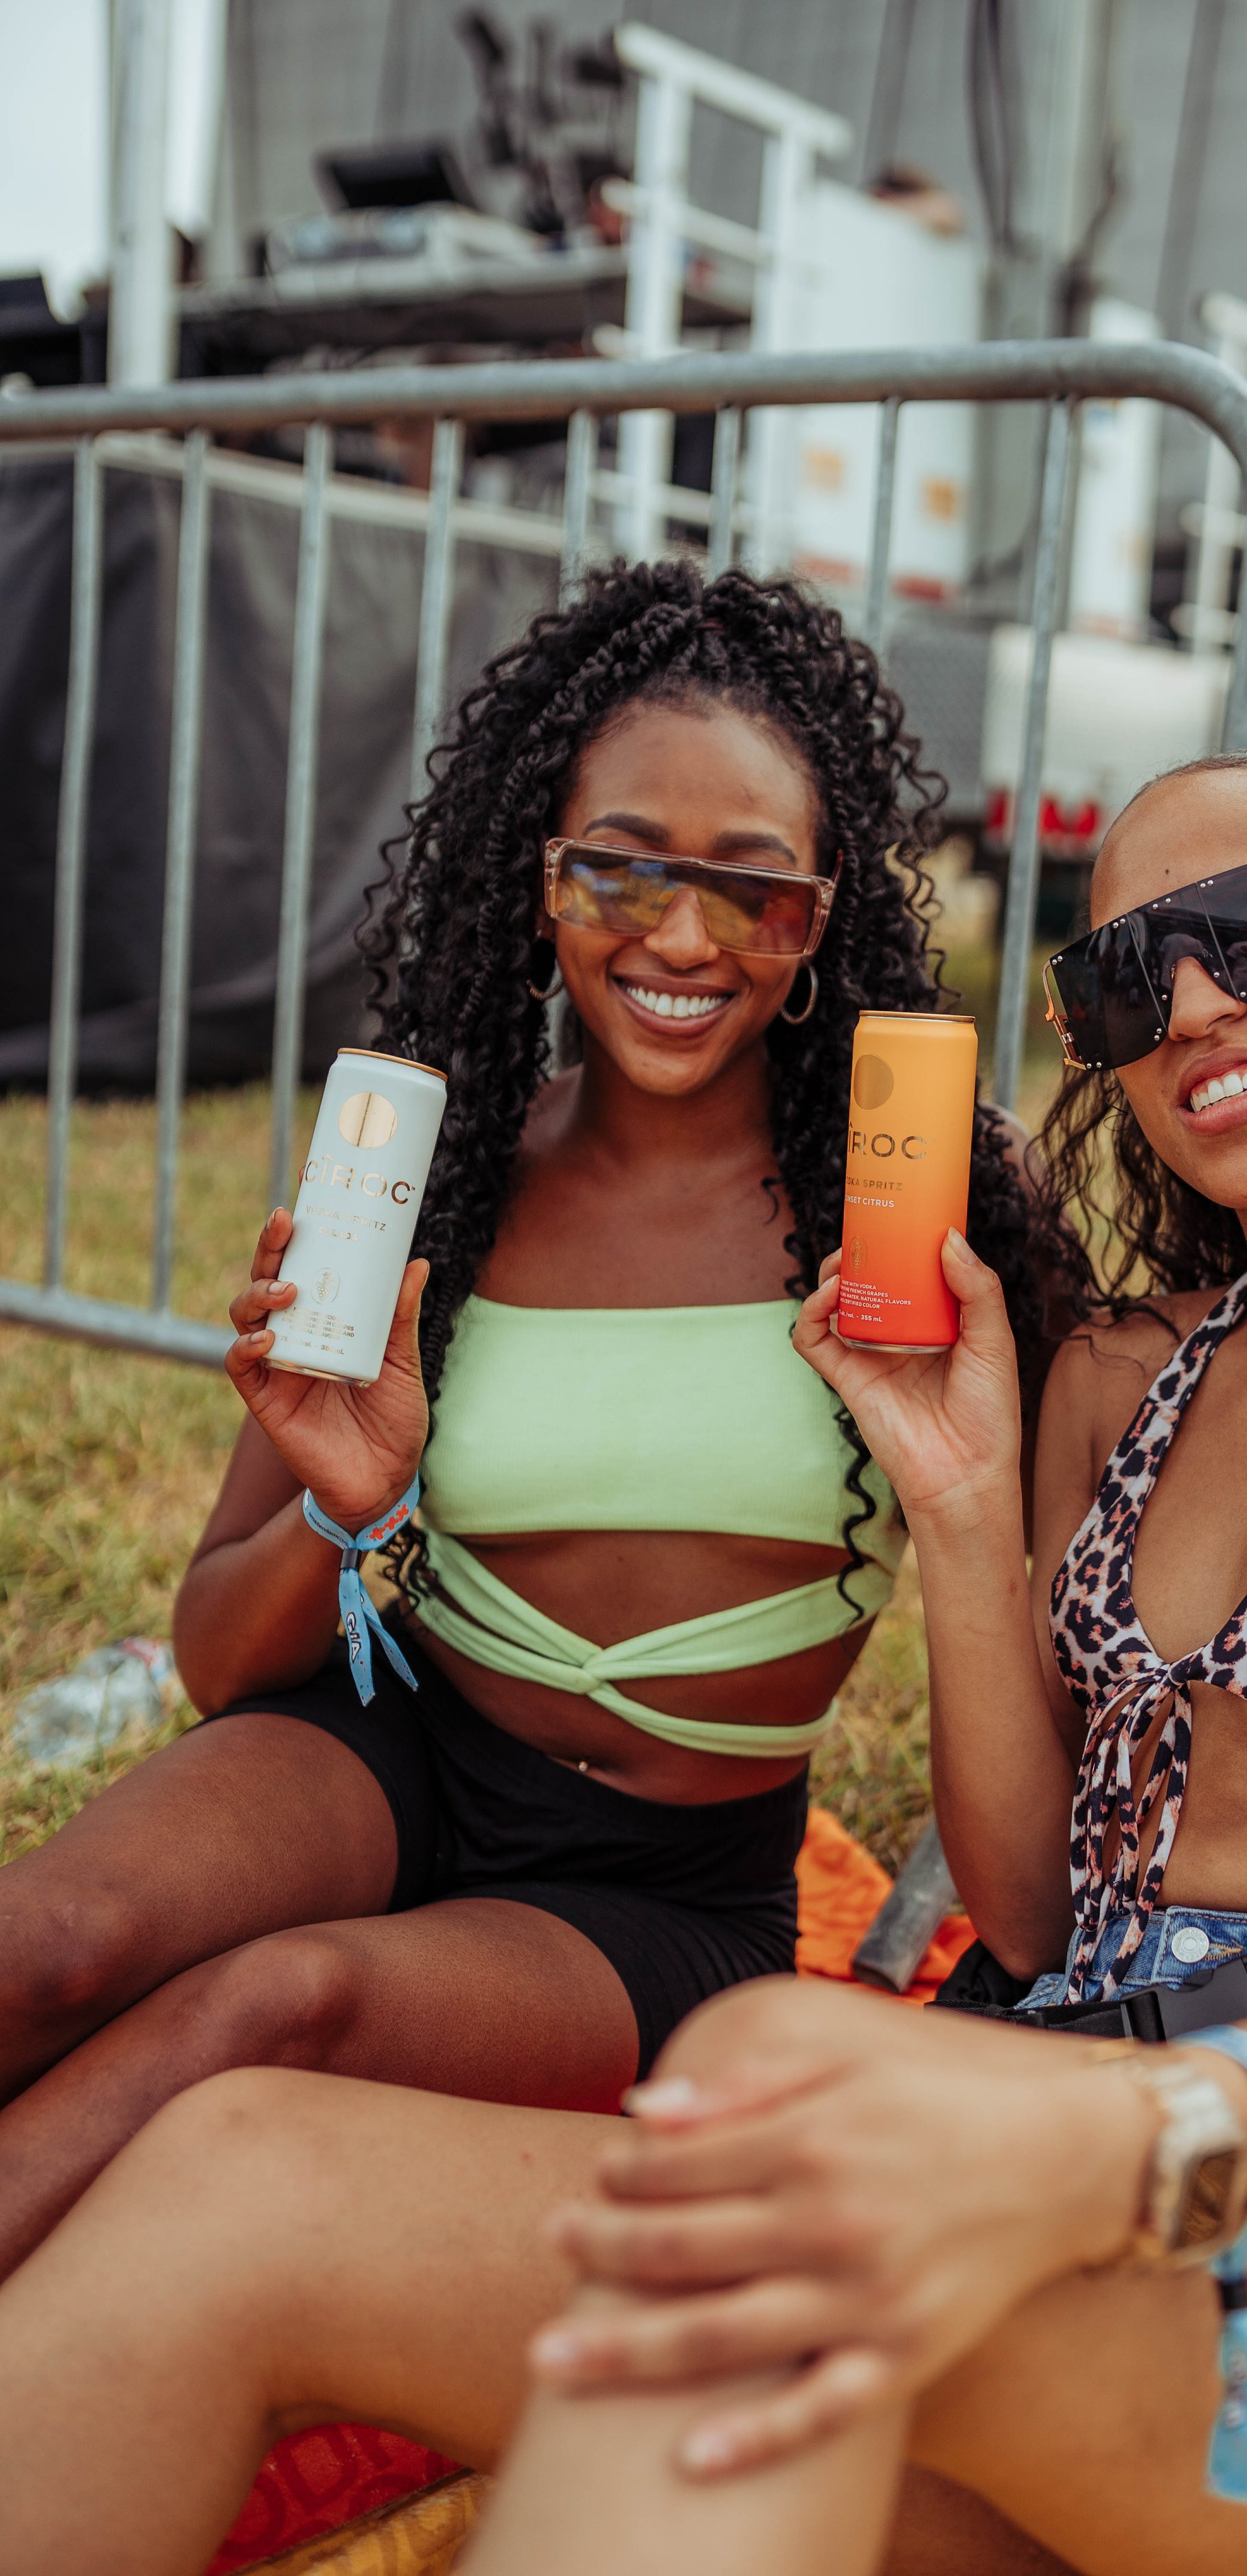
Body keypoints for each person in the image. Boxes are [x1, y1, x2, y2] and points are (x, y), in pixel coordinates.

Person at [1, 735, 1247, 2576]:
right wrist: (967, 1516)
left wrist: (1099, 2146)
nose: (1196, 999)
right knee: (239, 2167)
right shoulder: (1118, 1375)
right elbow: (1039, 1916)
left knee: (780, 2195)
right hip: (1075, 2081)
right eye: (1124, 975)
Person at [0, 558, 1068, 2287]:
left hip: (666, 1892)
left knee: (269, 2009)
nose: (677, 938)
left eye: (753, 893)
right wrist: (357, 1511)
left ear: (822, 922)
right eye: (618, 866)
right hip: (384, 1737)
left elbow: (1053, 1720)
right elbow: (213, 1651)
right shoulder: (440, 1170)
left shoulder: (930, 1207)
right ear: (539, 873)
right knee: (45, 1948)